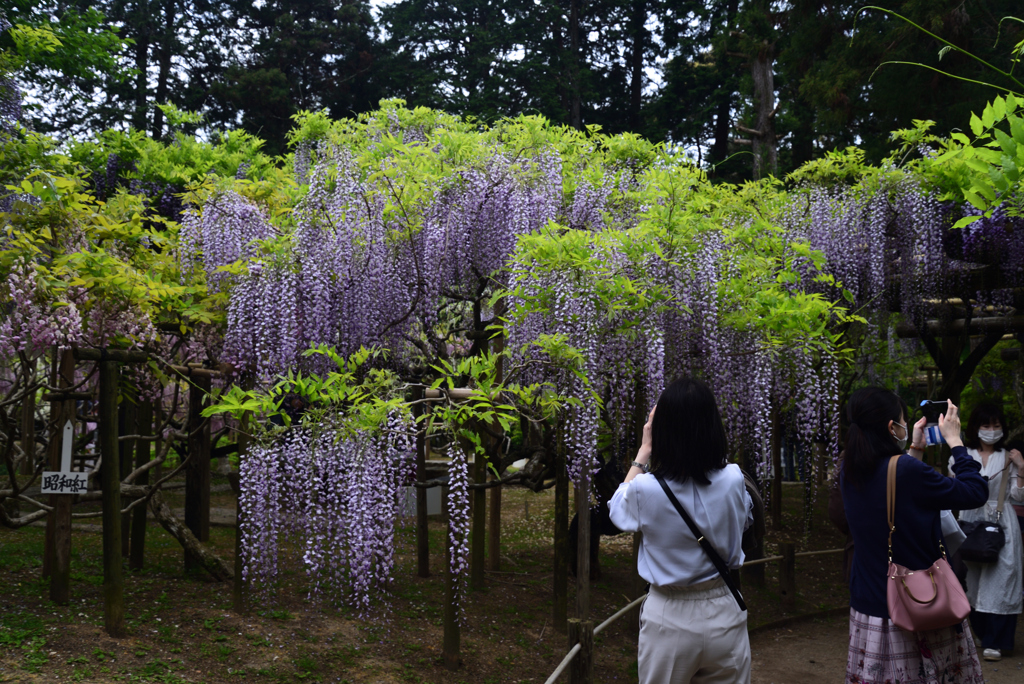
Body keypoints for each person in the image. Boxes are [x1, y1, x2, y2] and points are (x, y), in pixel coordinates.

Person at [608, 377, 753, 683]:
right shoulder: (734, 479)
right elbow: (745, 519)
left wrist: (643, 452)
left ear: (662, 430)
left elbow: (617, 512)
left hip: (669, 618)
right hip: (725, 609)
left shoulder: (645, 489)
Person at [841, 387, 988, 684]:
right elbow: (974, 492)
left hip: (870, 606)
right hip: (918, 603)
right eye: (903, 420)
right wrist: (956, 442)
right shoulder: (906, 471)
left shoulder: (850, 468)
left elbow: (898, 495)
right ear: (891, 427)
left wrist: (915, 450)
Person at [951, 403, 1024, 662]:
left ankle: (998, 641)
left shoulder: (1009, 456)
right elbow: (952, 491)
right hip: (970, 523)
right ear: (975, 428)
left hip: (1002, 523)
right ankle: (981, 632)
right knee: (971, 581)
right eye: (986, 425)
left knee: (1003, 581)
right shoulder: (961, 455)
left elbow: (1019, 497)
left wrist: (1022, 468)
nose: (991, 431)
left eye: (996, 426)